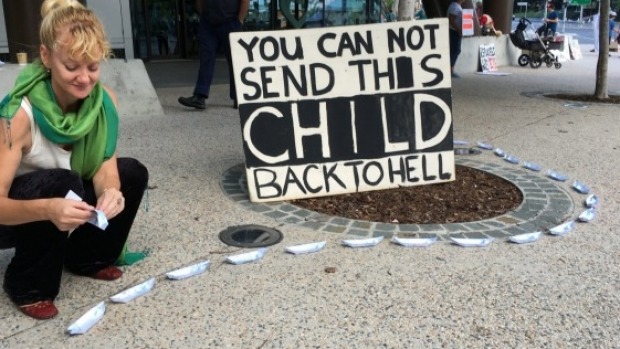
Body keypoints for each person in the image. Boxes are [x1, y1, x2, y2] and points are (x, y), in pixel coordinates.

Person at [0, 0, 149, 320]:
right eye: (72, 66)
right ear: (46, 57)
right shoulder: (18, 115)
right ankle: (26, 284)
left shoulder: (103, 100)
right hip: (13, 219)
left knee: (131, 174)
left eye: (92, 67)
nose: (84, 79)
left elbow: (105, 166)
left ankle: (87, 258)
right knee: (61, 181)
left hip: (64, 198)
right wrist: (47, 209)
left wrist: (111, 191)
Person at [178, 0, 250, 110]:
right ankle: (200, 96)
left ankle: (238, 97)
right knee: (206, 58)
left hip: (231, 22)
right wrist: (203, 13)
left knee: (234, 61)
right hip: (208, 23)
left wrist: (239, 20)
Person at [447, 0, 465, 78]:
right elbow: (451, 20)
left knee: (455, 50)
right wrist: (458, 30)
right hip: (454, 31)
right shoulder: (455, 6)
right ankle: (450, 71)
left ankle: (451, 70)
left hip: (455, 31)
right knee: (455, 50)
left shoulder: (456, 6)